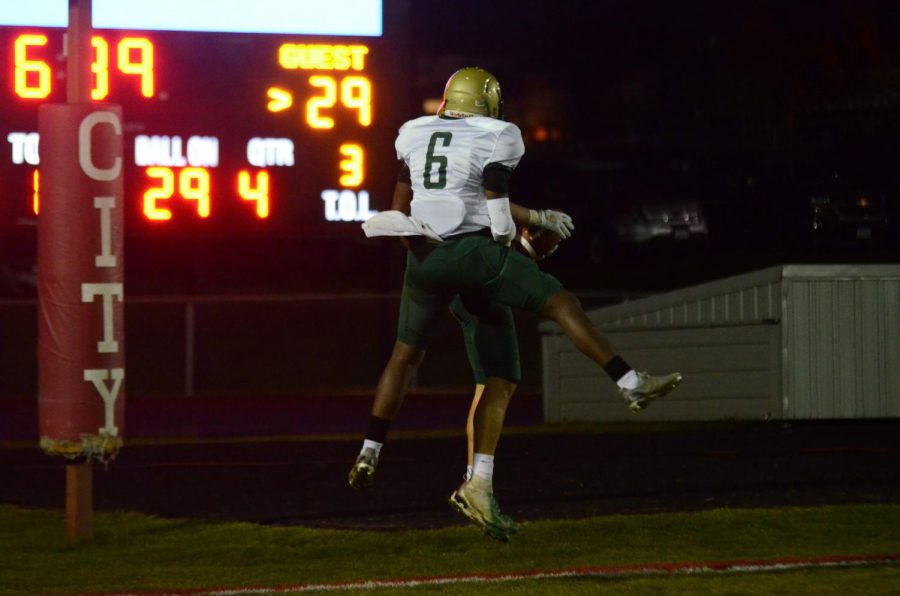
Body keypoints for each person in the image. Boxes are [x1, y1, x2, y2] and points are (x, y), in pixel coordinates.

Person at [350, 67, 682, 541]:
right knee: (559, 299)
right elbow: (496, 210)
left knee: (481, 373)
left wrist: (432, 256)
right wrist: (522, 241)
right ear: (488, 104)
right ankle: (630, 382)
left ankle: (386, 456)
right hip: (474, 255)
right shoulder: (498, 135)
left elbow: (403, 206)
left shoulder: (415, 133)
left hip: (423, 259)